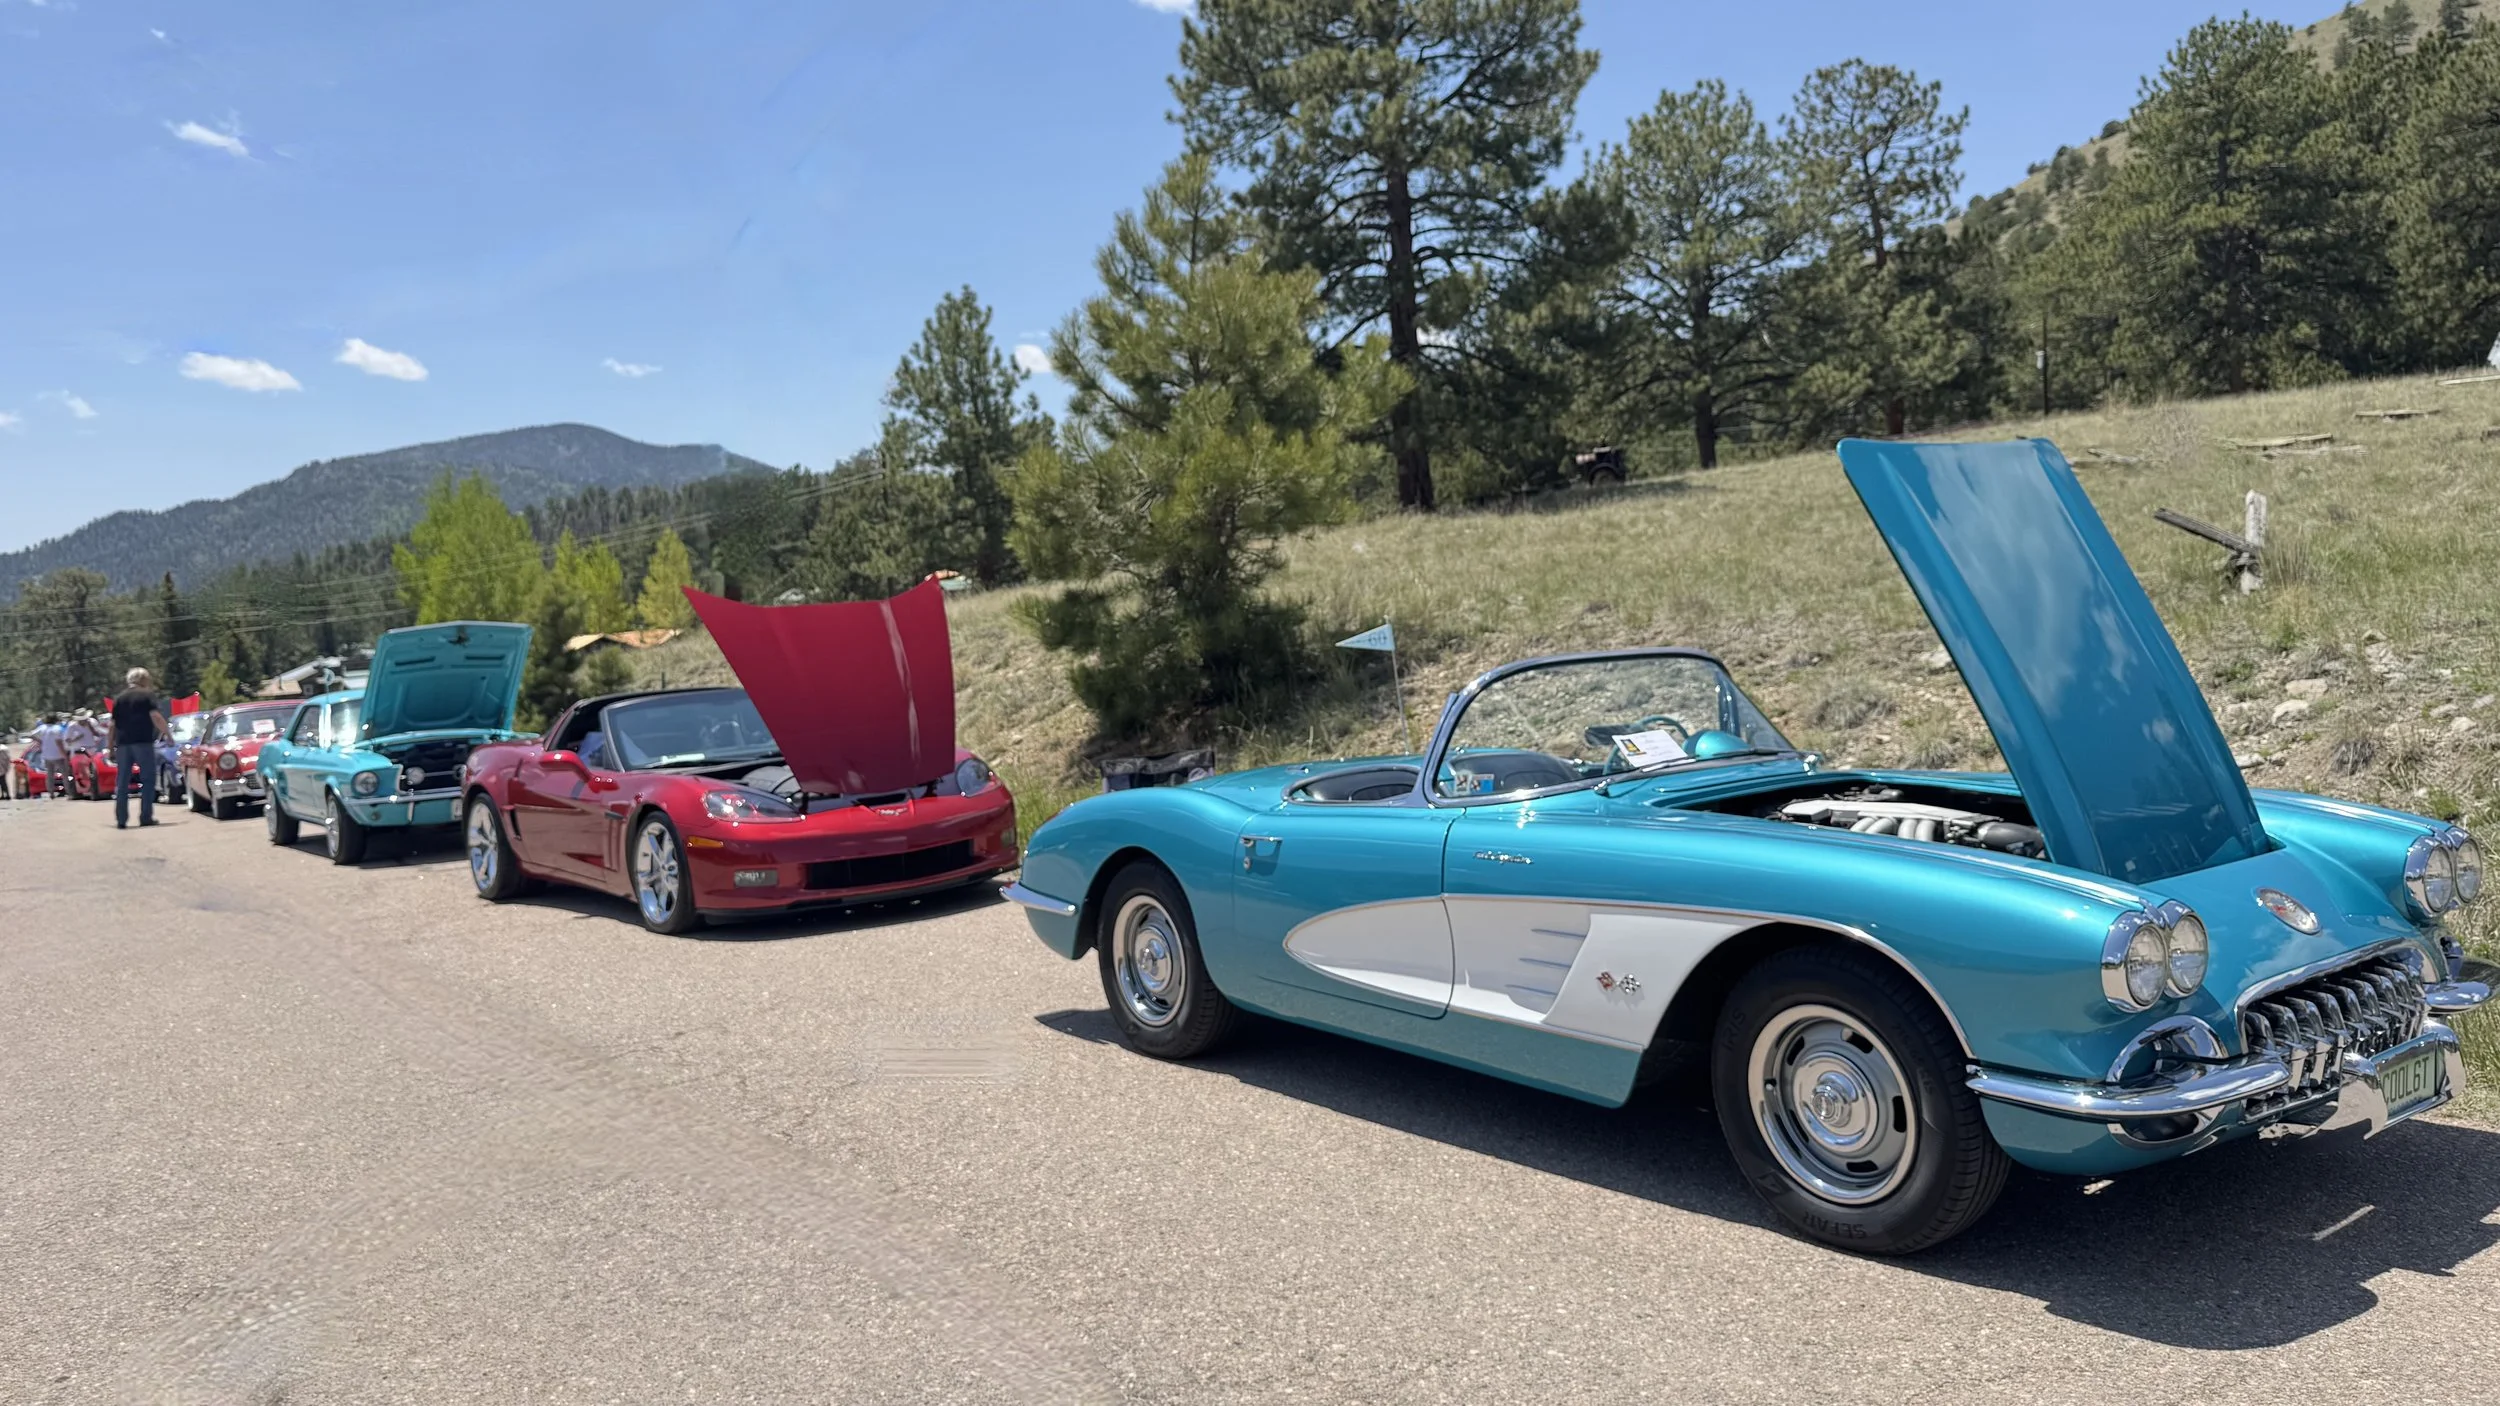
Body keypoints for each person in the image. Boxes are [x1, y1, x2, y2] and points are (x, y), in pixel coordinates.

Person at [107, 670, 172, 829]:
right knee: (148, 779)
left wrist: (110, 747)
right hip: (142, 742)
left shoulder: (119, 699)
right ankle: (145, 816)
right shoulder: (146, 696)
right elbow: (155, 716)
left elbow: (112, 725)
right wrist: (168, 734)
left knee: (122, 781)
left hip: (123, 745)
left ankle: (121, 819)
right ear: (144, 679)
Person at [36, 713, 71, 801]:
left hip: (47, 755)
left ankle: (51, 793)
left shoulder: (42, 728)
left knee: (50, 775)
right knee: (65, 774)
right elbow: (59, 743)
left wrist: (40, 741)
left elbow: (31, 734)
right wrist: (65, 755)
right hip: (58, 755)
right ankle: (68, 791)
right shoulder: (57, 729)